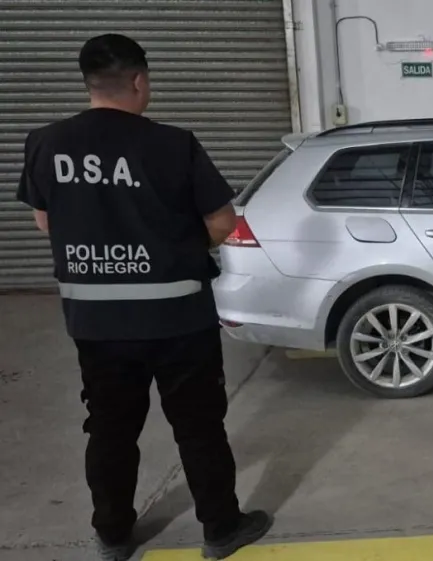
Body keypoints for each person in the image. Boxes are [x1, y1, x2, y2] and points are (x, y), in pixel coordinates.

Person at [16, 34, 272, 560]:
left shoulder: (44, 142)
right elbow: (223, 222)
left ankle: (112, 536)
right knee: (198, 424)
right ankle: (221, 529)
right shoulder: (173, 144)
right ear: (138, 81)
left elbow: (47, 222)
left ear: (89, 82)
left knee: (109, 428)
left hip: (96, 322)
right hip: (177, 316)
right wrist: (169, 245)